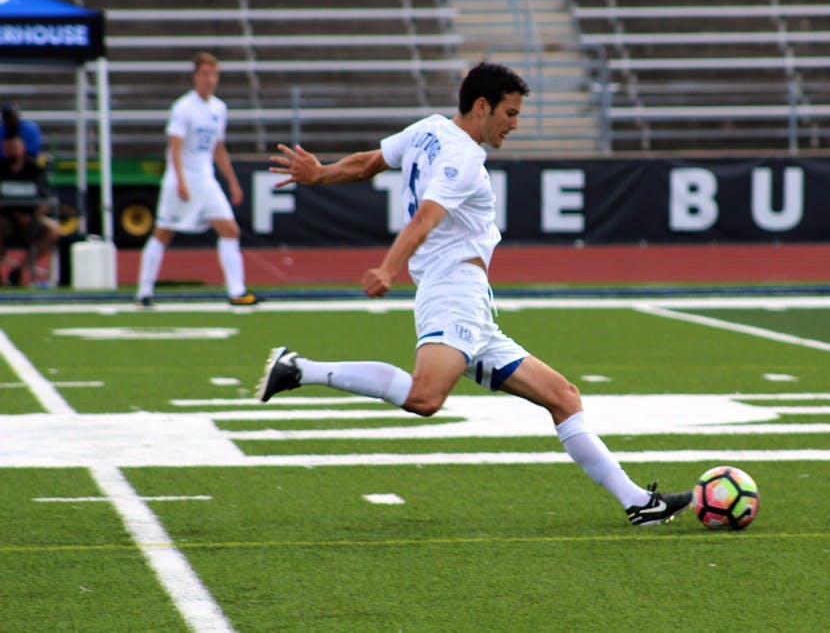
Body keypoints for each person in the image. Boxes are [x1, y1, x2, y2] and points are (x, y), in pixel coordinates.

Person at [256, 62, 692, 526]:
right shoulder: (462, 158)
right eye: (510, 112)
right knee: (425, 397)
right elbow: (424, 218)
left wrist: (320, 174)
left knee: (562, 396)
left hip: (470, 305)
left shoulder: (428, 129)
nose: (515, 123)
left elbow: (368, 163)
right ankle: (299, 369)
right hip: (453, 294)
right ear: (482, 106)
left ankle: (637, 503)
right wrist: (387, 267)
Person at [135, 52, 257, 307]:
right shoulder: (183, 107)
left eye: (214, 74)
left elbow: (218, 149)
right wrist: (180, 180)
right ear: (195, 76)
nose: (210, 79)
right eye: (205, 74)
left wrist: (232, 181)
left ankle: (237, 291)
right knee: (163, 232)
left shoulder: (219, 108)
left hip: (206, 179)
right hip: (183, 178)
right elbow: (174, 147)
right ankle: (143, 292)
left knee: (229, 230)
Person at [0, 135, 59, 286]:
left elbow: (46, 198)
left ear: (23, 149)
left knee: (52, 229)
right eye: (8, 148)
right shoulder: (2, 169)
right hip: (5, 218)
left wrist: (32, 215)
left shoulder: (34, 169)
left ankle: (20, 269)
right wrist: (14, 214)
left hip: (32, 218)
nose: (11, 152)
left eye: (14, 148)